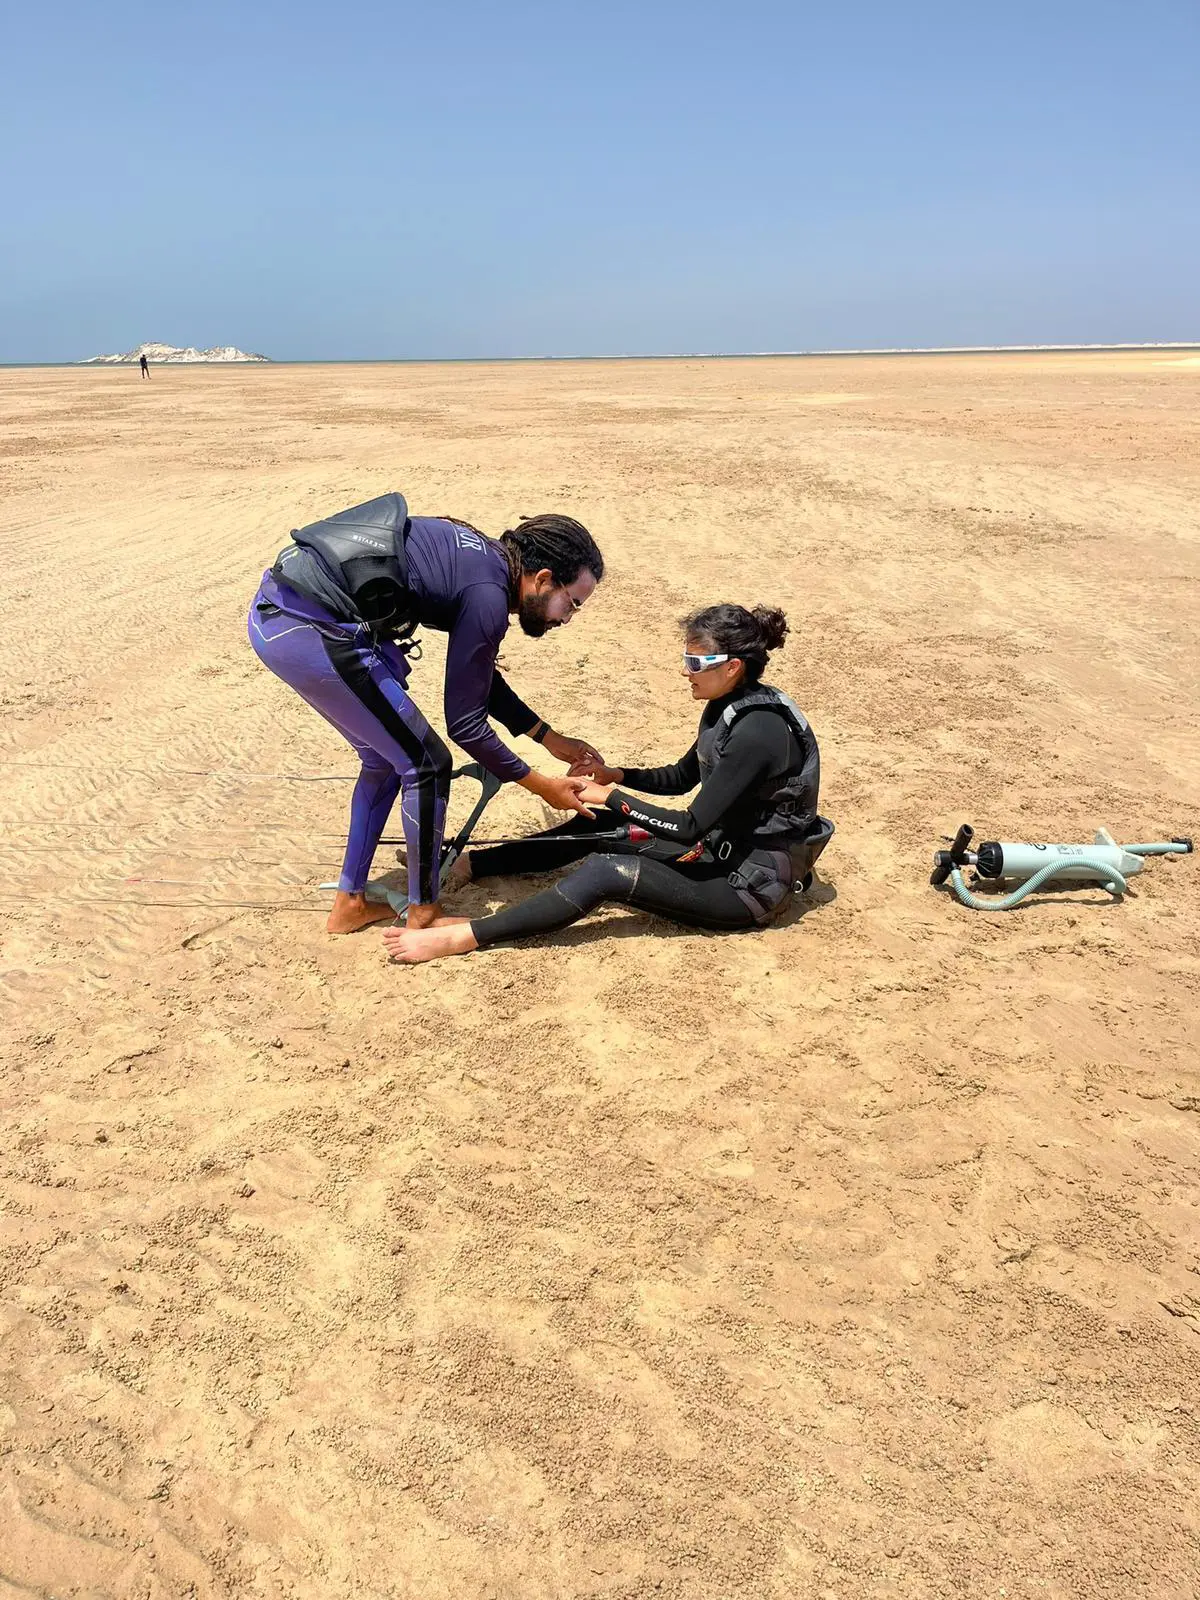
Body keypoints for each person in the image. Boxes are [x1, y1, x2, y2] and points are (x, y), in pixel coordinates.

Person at [383, 602, 832, 963]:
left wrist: (613, 796)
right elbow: (682, 777)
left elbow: (690, 826)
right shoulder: (727, 705)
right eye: (685, 658)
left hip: (746, 887)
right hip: (716, 852)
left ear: (732, 667)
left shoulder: (760, 732)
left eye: (695, 661)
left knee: (606, 870)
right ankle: (468, 866)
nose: (685, 671)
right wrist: (616, 776)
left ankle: (463, 937)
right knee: (592, 821)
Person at [248, 493, 606, 933]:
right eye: (572, 604)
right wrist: (541, 785)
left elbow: (474, 677)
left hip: (279, 620)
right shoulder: (487, 596)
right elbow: (466, 724)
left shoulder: (485, 563)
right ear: (544, 579)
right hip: (312, 631)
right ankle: (423, 914)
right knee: (427, 763)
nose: (568, 619)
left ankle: (350, 906)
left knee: (386, 758)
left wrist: (547, 737)